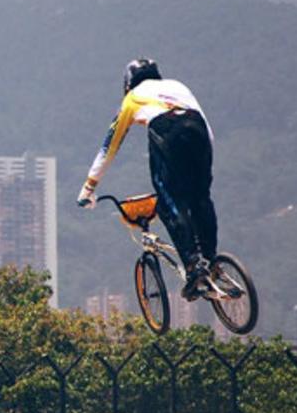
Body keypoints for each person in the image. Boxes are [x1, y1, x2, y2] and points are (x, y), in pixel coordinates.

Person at [77, 58, 217, 300]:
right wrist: (205, 163)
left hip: (168, 130)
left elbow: (109, 146)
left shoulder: (131, 99)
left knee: (169, 202)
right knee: (200, 198)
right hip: (199, 132)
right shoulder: (177, 86)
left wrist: (89, 187)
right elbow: (204, 123)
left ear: (128, 83)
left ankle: (193, 266)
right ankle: (212, 260)